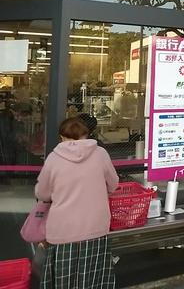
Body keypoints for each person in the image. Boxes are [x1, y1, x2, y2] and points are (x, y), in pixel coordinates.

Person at [35, 117, 119, 289]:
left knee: (64, 280)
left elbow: (42, 193)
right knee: (93, 278)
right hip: (95, 227)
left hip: (63, 231)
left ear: (61, 137)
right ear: (86, 135)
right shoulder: (100, 154)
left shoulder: (53, 158)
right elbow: (113, 184)